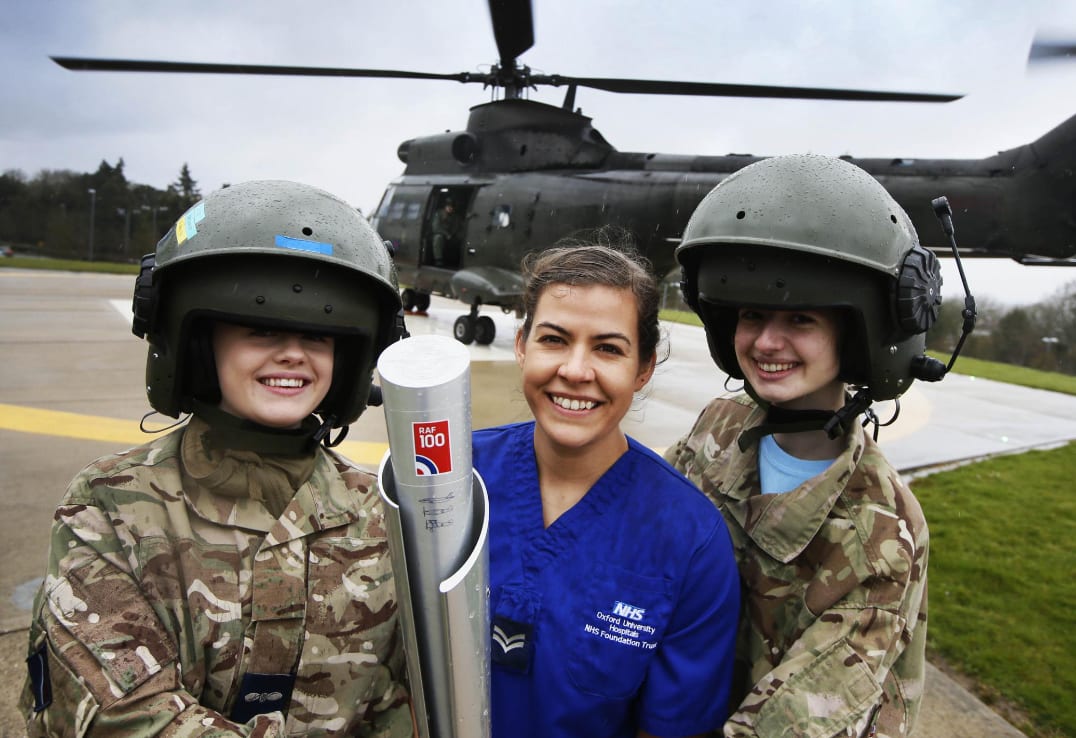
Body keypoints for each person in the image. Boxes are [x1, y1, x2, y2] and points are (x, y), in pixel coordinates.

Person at [20, 180, 415, 737]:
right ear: (201, 344)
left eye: (319, 336)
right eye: (262, 328)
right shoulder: (112, 506)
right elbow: (125, 719)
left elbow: (419, 700)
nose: (293, 354)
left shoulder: (378, 514)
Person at [665, 154, 940, 738]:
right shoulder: (719, 425)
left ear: (857, 335)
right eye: (752, 314)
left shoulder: (880, 534)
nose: (768, 342)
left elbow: (790, 723)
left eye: (800, 319)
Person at [472, 238, 741, 738]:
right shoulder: (451, 482)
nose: (575, 371)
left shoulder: (691, 540)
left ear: (644, 368)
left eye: (608, 348)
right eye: (554, 339)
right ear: (521, 346)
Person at [430, 199, 461, 266]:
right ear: (445, 207)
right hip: (441, 233)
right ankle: (438, 259)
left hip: (451, 234)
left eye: (451, 207)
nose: (450, 208)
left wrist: (452, 234)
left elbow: (456, 226)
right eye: (448, 206)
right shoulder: (439, 214)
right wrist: (446, 234)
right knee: (438, 238)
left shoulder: (455, 216)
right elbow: (436, 227)